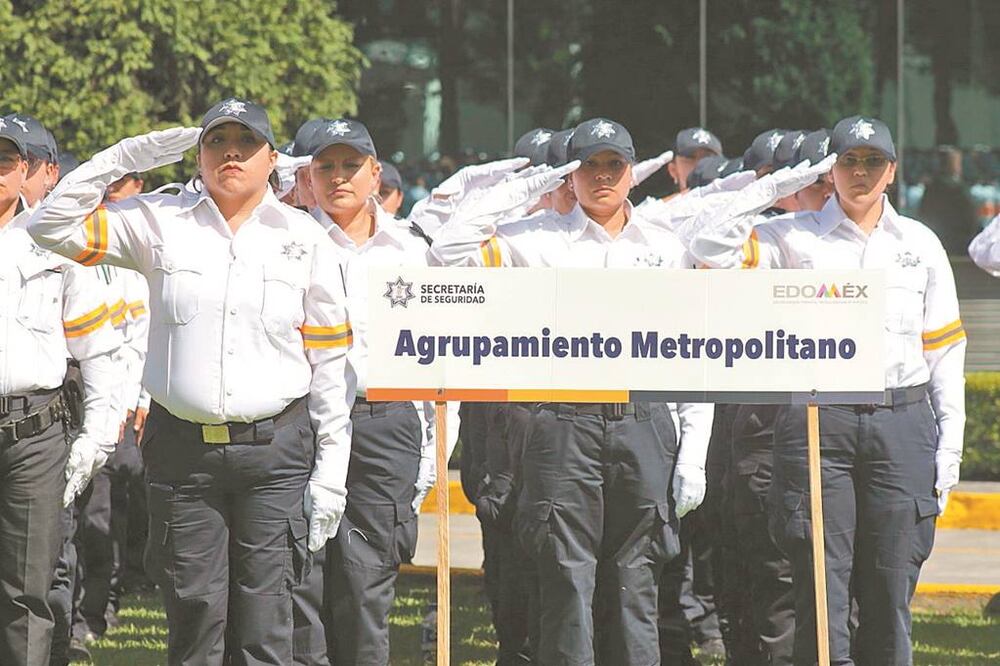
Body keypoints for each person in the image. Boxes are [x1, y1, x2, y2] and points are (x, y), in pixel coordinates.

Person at [28, 98, 357, 665]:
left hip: (275, 452)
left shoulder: (305, 237)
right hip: (182, 452)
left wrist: (331, 467)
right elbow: (50, 225)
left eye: (245, 142)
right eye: (216, 141)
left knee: (266, 620)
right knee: (193, 612)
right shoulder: (159, 221)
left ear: (272, 158)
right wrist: (122, 157)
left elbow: (330, 361)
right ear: (198, 155)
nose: (230, 152)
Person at [431, 117, 714, 665]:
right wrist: (528, 188)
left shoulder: (667, 246)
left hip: (644, 421)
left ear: (633, 172)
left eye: (614, 165)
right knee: (564, 579)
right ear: (570, 174)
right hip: (560, 426)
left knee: (637, 582)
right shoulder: (531, 243)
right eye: (589, 165)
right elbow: (446, 254)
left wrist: (693, 454)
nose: (602, 176)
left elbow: (691, 358)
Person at [689, 115, 966, 664]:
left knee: (890, 583)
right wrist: (776, 187)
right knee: (819, 580)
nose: (860, 172)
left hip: (900, 420)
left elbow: (945, 353)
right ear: (828, 169)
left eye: (872, 162)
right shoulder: (789, 237)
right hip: (819, 421)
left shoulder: (921, 244)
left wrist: (949, 445)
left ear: (891, 171)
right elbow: (708, 249)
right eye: (847, 161)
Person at [303, 117, 457, 666]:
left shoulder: (414, 250)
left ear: (375, 173)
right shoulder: (288, 241)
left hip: (384, 419)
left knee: (368, 579)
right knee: (301, 577)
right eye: (326, 167)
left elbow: (440, 358)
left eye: (351, 166)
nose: (338, 178)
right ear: (308, 175)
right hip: (303, 423)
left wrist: (432, 450)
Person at [0, 115, 120, 666]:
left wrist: (99, 430)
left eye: (5, 160)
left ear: (24, 170)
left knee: (28, 588)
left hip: (34, 434)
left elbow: (97, 344)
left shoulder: (54, 237)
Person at [665, 127, 723, 201]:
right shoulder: (660, 210)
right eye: (690, 158)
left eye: (708, 158)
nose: (700, 164)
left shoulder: (735, 200)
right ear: (673, 170)